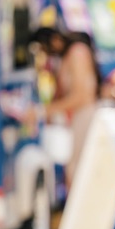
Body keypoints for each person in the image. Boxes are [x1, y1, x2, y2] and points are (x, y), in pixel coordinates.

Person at [32, 26, 100, 187]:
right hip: (77, 119)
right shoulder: (68, 56)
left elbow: (81, 96)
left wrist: (42, 111)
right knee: (74, 171)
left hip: (86, 118)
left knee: (79, 172)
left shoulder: (77, 52)